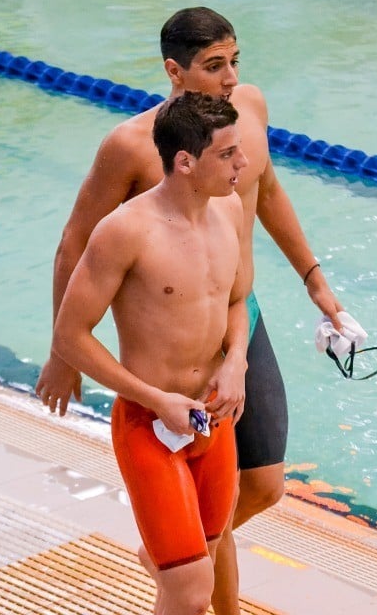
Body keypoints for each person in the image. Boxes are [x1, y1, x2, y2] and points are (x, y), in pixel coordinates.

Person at [36, 7, 345, 614]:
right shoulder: (132, 155)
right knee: (188, 584)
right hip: (160, 382)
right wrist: (61, 353)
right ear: (175, 72)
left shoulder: (243, 128)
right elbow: (75, 245)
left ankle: (179, 558)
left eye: (235, 61)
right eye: (213, 66)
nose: (230, 78)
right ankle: (187, 573)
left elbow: (268, 198)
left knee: (261, 488)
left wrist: (313, 283)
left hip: (232, 320)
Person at [51, 91, 250, 614]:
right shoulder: (125, 231)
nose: (243, 163)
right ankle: (170, 565)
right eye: (227, 154)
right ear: (185, 162)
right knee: (189, 591)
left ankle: (167, 558)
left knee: (199, 564)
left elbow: (237, 298)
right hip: (150, 425)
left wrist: (236, 363)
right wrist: (155, 398)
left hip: (215, 416)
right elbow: (70, 336)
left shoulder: (230, 211)